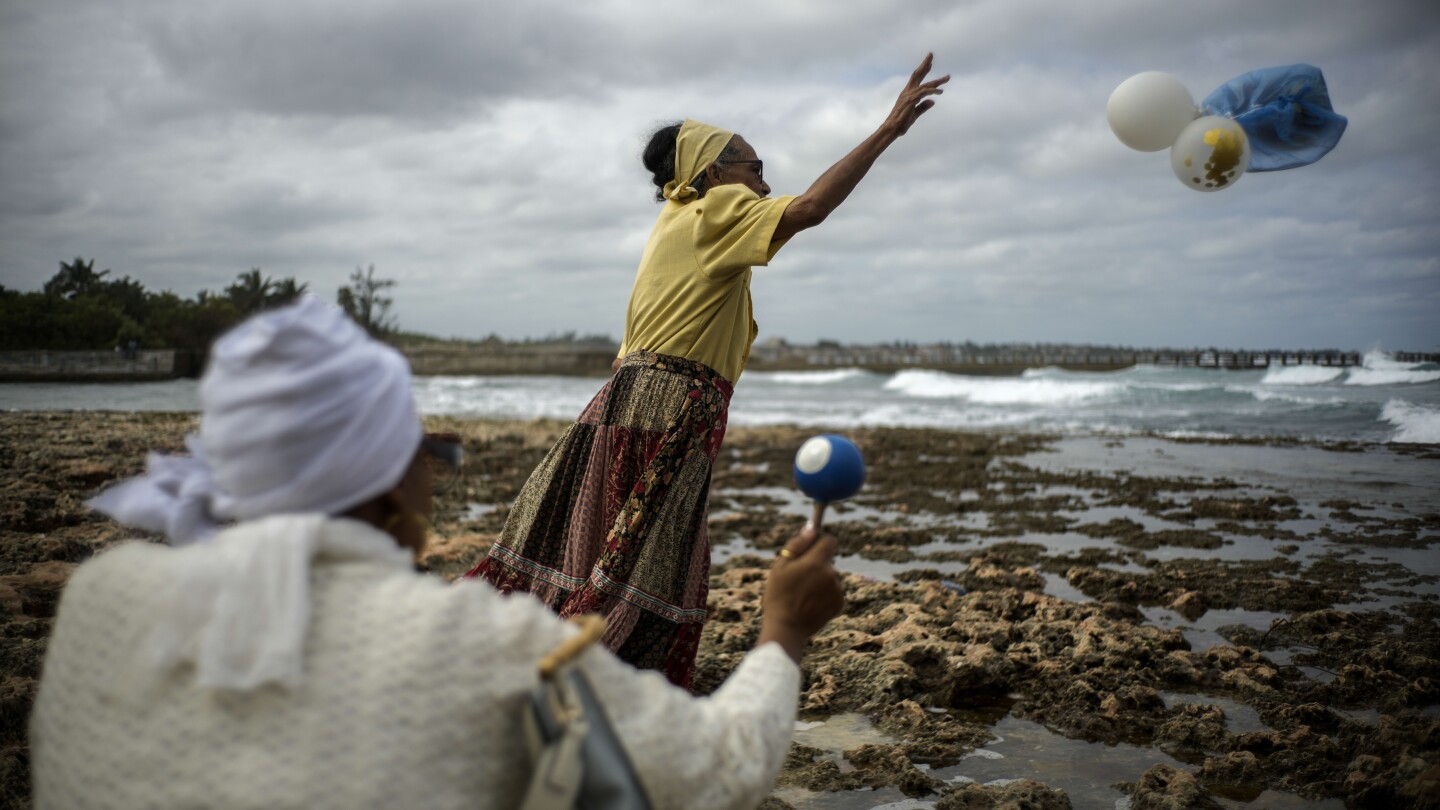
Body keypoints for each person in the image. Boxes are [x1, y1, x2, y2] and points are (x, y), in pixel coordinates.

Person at [29, 297, 846, 810]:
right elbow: (719, 772)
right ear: (384, 484)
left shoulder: (102, 597)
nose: (436, 467)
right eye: (426, 448)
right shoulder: (484, 644)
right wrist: (783, 633)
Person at [469, 53, 948, 687]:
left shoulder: (677, 218)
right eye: (754, 167)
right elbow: (809, 209)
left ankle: (517, 656)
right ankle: (589, 681)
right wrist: (887, 131)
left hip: (627, 396)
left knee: (586, 545)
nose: (762, 180)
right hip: (672, 404)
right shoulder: (715, 209)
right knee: (645, 557)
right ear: (714, 173)